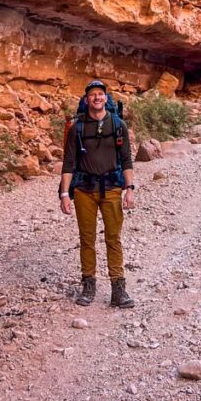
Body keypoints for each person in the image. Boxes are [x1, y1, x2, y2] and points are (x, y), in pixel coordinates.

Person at [59, 79, 135, 307]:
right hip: (84, 191)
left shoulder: (118, 124)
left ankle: (118, 290)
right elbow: (68, 163)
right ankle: (88, 285)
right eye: (92, 94)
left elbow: (127, 159)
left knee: (113, 239)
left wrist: (129, 189)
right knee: (87, 239)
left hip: (112, 188)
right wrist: (64, 194)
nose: (97, 97)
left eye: (100, 94)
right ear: (86, 99)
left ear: (106, 98)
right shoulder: (77, 128)